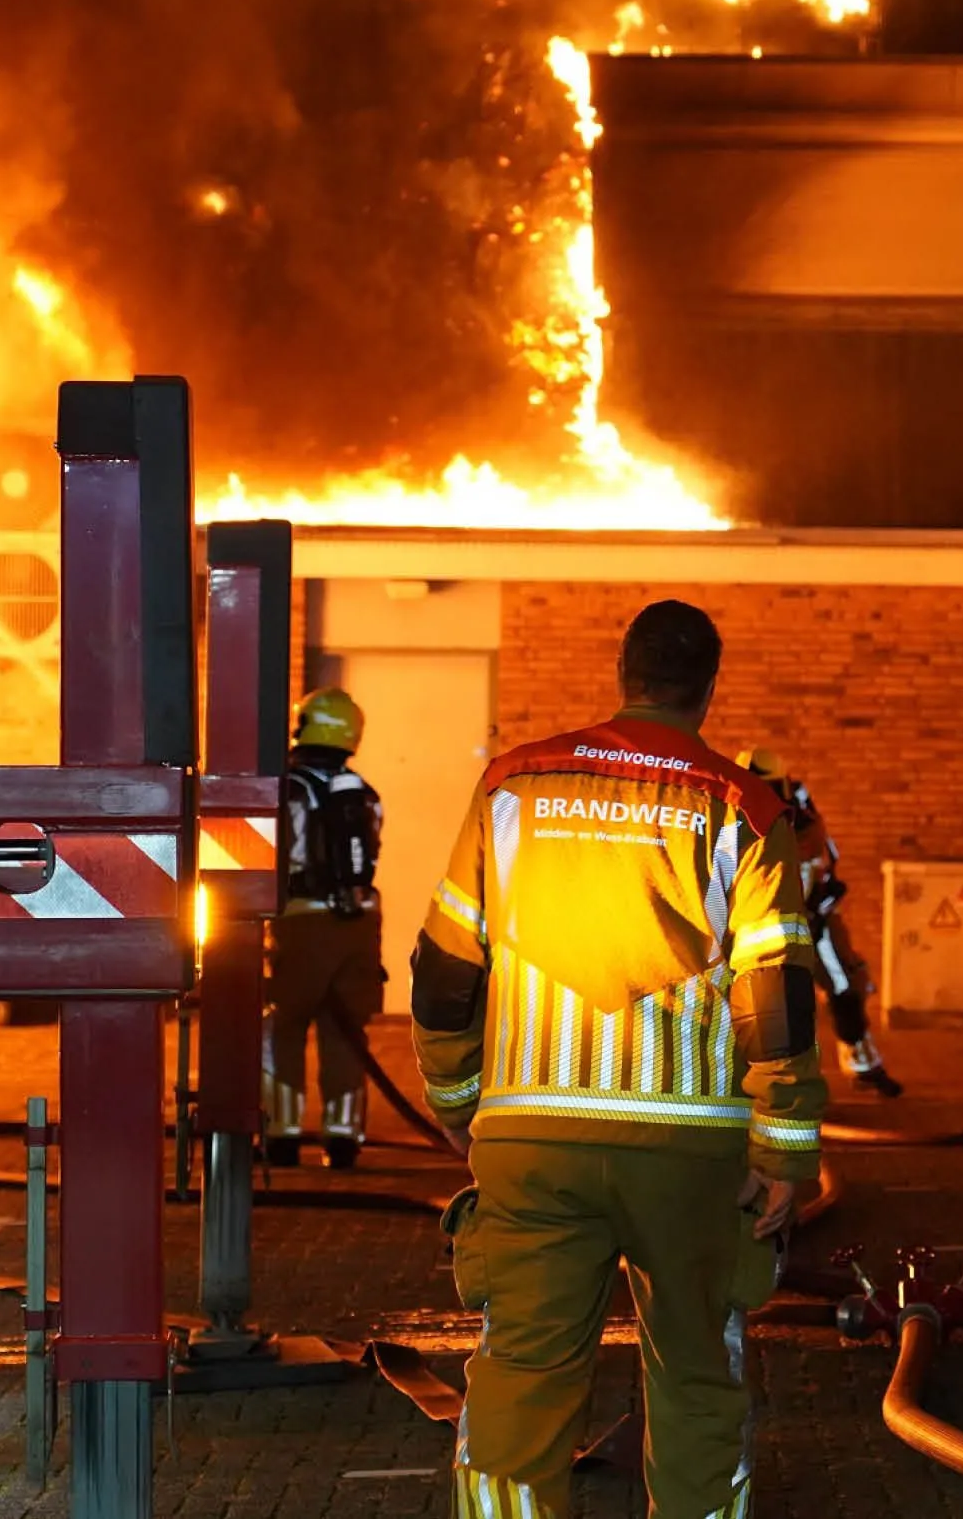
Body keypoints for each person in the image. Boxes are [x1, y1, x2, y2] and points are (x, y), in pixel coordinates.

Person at [411, 599, 826, 1519]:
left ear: (624, 673)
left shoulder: (512, 786)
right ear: (707, 690)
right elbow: (776, 1000)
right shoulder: (744, 806)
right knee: (695, 1385)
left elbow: (444, 970)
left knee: (519, 1377)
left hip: (532, 1143)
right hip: (691, 1160)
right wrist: (787, 1151)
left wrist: (457, 1100)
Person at [263, 687, 386, 1170]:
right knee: (346, 1030)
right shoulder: (365, 794)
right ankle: (343, 1137)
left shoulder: (286, 790)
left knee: (283, 1026)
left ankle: (282, 1133)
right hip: (359, 924)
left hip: (300, 921)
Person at [736, 748, 904, 1096]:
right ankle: (752, 1083)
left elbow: (819, 856)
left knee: (845, 989)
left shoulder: (800, 813)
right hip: (756, 929)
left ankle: (863, 1064)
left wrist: (816, 906)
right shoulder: (730, 812)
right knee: (757, 1003)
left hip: (814, 922)